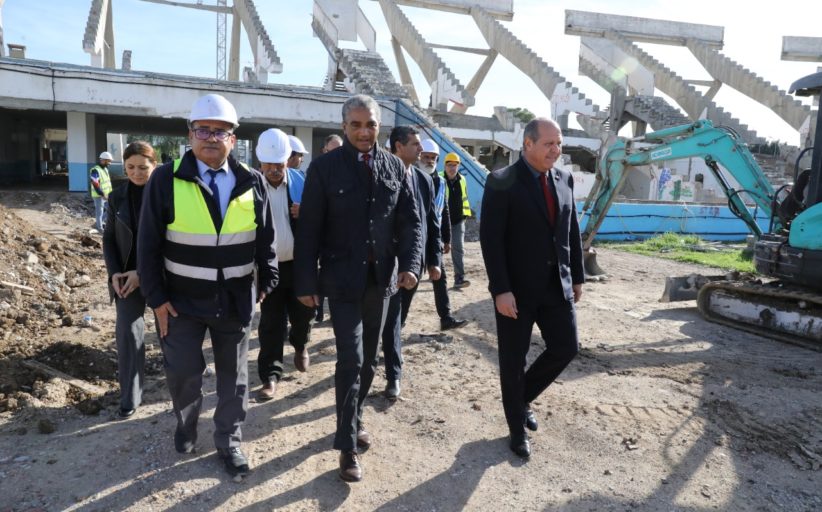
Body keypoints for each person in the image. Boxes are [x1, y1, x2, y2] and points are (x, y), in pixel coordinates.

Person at [137, 93, 278, 478]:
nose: (211, 138)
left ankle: (229, 441)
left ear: (233, 138)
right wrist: (157, 298)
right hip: (180, 302)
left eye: (220, 131)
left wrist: (266, 281)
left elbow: (265, 238)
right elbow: (147, 245)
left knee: (234, 379)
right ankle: (186, 424)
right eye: (203, 130)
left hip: (235, 299)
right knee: (184, 373)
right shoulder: (166, 179)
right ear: (190, 134)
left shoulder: (251, 180)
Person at [294, 94, 422, 483]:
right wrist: (306, 281)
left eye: (371, 125)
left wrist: (411, 264)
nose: (364, 132)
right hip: (342, 280)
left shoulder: (395, 167)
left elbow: (411, 222)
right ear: (344, 126)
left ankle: (356, 415)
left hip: (382, 281)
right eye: (356, 125)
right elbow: (309, 228)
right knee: (350, 358)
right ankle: (347, 445)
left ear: (380, 126)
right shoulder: (324, 169)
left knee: (368, 362)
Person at [479, 118, 584, 459]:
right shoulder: (501, 181)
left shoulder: (564, 179)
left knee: (566, 347)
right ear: (528, 144)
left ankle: (521, 398)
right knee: (513, 360)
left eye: (559, 143)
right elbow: (491, 240)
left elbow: (570, 231)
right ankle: (516, 429)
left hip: (556, 286)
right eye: (549, 144)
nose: (556, 150)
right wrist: (501, 289)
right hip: (517, 291)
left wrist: (577, 276)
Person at [379, 126, 445, 400]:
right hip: (387, 263)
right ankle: (394, 374)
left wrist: (434, 260)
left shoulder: (424, 180)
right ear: (398, 146)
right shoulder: (380, 176)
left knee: (399, 317)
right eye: (416, 144)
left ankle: (388, 349)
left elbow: (431, 222)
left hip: (414, 263)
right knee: (392, 318)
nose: (421, 149)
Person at [254, 128, 313, 401]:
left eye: (279, 164)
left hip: (300, 265)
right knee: (271, 323)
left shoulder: (303, 183)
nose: (274, 170)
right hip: (269, 267)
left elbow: (324, 219)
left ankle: (300, 345)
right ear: (260, 162)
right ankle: (270, 375)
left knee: (304, 315)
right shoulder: (251, 186)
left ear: (288, 160)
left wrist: (307, 212)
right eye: (269, 165)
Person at [102, 141, 156, 419]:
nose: (136, 173)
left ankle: (182, 386)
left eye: (143, 167)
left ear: (154, 165)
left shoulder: (166, 195)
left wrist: (142, 273)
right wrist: (114, 273)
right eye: (130, 167)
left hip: (161, 277)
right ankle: (130, 396)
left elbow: (171, 241)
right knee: (128, 335)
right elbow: (109, 238)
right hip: (125, 278)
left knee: (173, 335)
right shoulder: (117, 197)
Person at [418, 139, 468, 331]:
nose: (429, 160)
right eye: (426, 157)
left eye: (433, 158)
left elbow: (443, 210)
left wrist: (446, 238)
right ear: (419, 157)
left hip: (434, 238)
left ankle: (446, 318)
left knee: (440, 277)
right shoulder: (411, 176)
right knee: (409, 283)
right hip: (414, 239)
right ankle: (397, 323)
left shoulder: (439, 182)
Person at [314, 133, 344, 323]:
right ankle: (318, 311)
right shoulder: (317, 171)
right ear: (324, 150)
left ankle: (335, 313)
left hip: (340, 238)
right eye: (331, 151)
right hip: (320, 234)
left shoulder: (349, 172)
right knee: (321, 273)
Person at [442, 152, 472, 288]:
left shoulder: (462, 179)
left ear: (458, 166)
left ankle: (459, 278)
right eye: (449, 165)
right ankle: (435, 272)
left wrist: (464, 216)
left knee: (458, 248)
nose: (452, 168)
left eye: (455, 165)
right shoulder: (439, 178)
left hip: (458, 220)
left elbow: (464, 198)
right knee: (437, 248)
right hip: (441, 221)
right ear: (445, 166)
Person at [89, 151, 114, 232]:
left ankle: (97, 223)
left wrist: (110, 194)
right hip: (98, 195)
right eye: (108, 161)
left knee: (111, 210)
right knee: (99, 212)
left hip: (107, 195)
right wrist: (102, 194)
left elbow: (108, 183)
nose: (109, 163)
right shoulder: (95, 170)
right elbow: (95, 184)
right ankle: (100, 229)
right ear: (103, 160)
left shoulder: (105, 169)